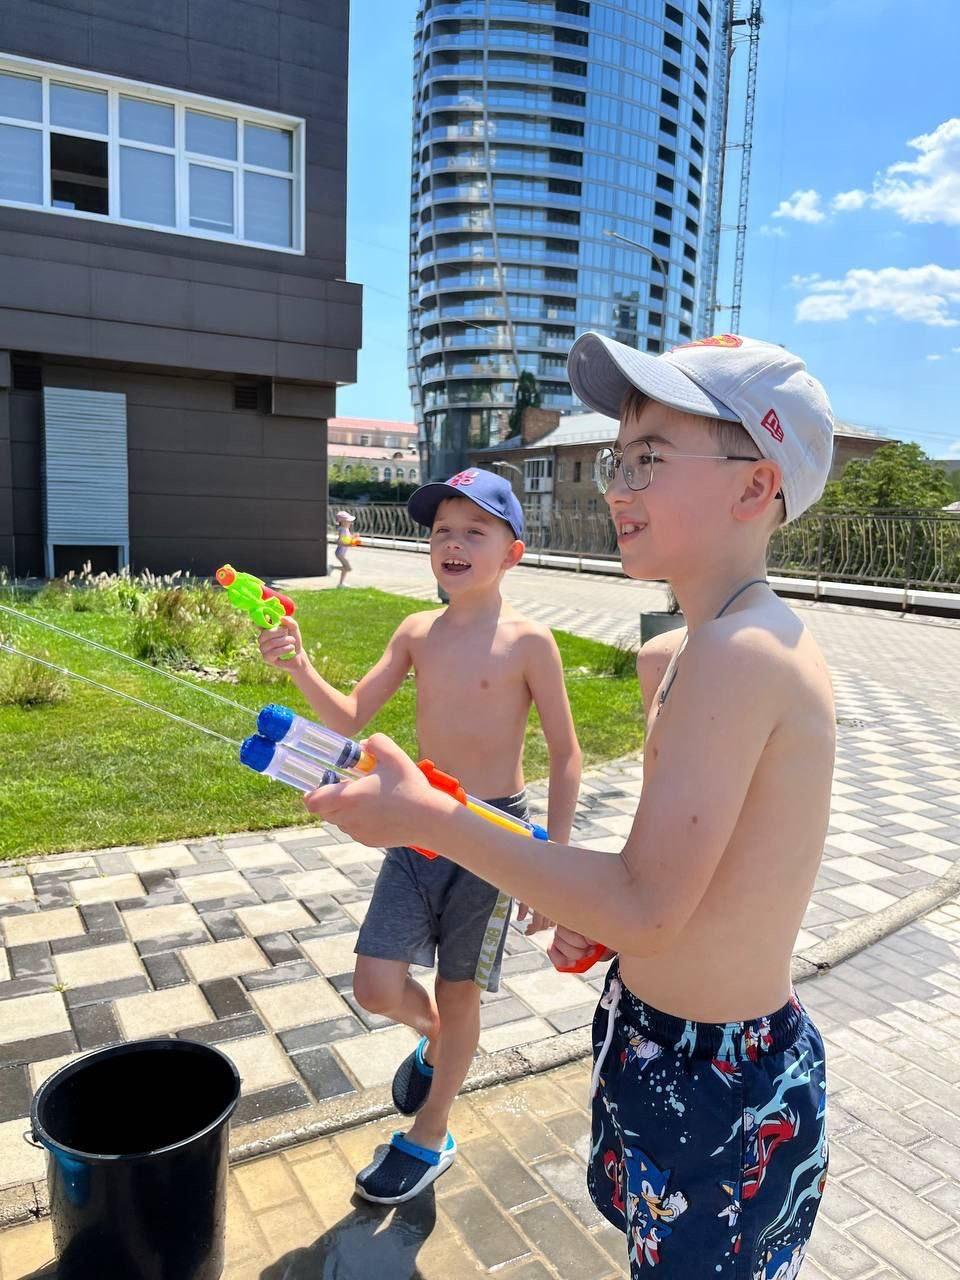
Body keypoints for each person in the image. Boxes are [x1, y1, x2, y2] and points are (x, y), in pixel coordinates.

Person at [302, 334, 836, 1277]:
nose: (618, 486)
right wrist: (599, 916)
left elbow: (645, 902)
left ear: (756, 487)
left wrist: (429, 816)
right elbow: (666, 886)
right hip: (655, 1032)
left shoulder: (742, 653)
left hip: (718, 1074)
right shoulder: (681, 652)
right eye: (617, 460)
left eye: (649, 458)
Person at [259, 467, 582, 1204]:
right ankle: (436, 1038)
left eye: (475, 531)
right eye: (442, 531)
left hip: (493, 833)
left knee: (460, 989)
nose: (453, 544)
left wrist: (553, 870)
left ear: (513, 553)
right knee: (375, 984)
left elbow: (567, 756)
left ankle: (431, 1133)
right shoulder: (415, 633)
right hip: (418, 820)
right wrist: (300, 664)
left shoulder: (531, 643)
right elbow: (348, 717)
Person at [333, 509, 359, 587]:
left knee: (345, 568)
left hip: (341, 553)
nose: (351, 523)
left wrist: (354, 537)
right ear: (343, 522)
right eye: (349, 521)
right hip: (340, 553)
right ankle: (332, 568)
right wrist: (349, 545)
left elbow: (347, 539)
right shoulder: (343, 530)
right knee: (348, 568)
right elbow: (339, 542)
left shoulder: (346, 529)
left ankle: (341, 583)